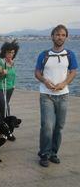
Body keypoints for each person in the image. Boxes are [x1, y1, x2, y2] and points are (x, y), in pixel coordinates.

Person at [35, 24, 78, 167]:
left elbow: (73, 72)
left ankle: (54, 153)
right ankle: (44, 154)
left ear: (66, 37)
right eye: (57, 34)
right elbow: (37, 73)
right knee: (47, 125)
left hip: (63, 95)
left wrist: (64, 83)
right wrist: (45, 81)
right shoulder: (44, 54)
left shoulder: (70, 54)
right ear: (52, 36)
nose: (60, 37)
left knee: (59, 126)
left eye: (63, 35)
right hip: (46, 95)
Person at [0, 40, 19, 122]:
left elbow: (13, 75)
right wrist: (2, 74)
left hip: (9, 89)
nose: (11, 55)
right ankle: (9, 124)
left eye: (13, 53)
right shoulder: (0, 62)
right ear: (4, 52)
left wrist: (13, 85)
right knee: (5, 107)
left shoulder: (12, 63)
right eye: (9, 52)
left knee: (1, 108)